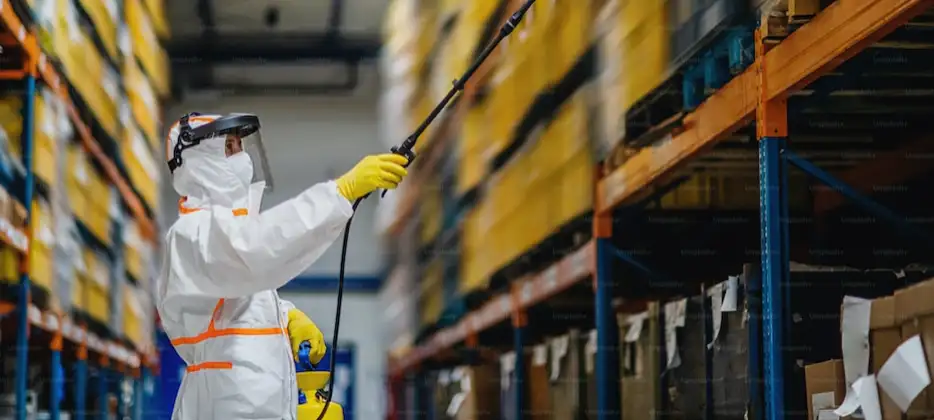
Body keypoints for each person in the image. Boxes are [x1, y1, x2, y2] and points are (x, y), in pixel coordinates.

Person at [156, 112, 408, 420]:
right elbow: (256, 252)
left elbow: (235, 304)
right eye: (229, 147)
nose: (242, 158)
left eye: (241, 147)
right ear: (198, 159)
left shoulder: (221, 236)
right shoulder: (192, 234)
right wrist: (338, 194)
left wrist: (285, 317)